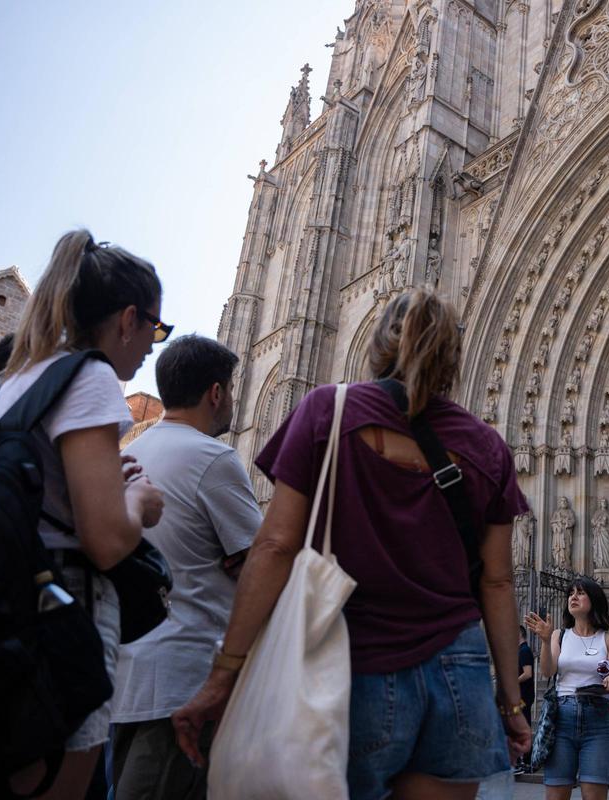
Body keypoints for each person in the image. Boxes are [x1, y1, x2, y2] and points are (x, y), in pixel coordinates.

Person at [173, 288, 532, 800]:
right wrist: (512, 703)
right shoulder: (489, 447)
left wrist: (225, 671)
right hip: (461, 671)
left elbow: (275, 547)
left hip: (355, 663)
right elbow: (497, 581)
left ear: (379, 345)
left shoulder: (329, 410)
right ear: (455, 357)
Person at [0, 229, 167, 798]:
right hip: (60, 616)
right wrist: (139, 501)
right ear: (128, 319)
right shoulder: (90, 376)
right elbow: (106, 540)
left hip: (4, 606)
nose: (154, 346)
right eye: (155, 327)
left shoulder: (16, 377)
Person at [110, 335, 261, 800]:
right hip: (185, 681)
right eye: (233, 389)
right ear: (216, 392)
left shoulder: (132, 452)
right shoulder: (211, 458)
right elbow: (258, 564)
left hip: (127, 676)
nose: (234, 401)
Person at [523, 577, 609, 800]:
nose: (573, 597)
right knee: (556, 795)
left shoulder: (608, 639)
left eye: (580, 593)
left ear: (594, 600)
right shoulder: (561, 635)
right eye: (570, 594)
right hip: (562, 718)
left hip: (597, 719)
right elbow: (547, 671)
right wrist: (547, 641)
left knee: (594, 795)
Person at [515, 625, 535, 774]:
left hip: (524, 697)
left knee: (523, 727)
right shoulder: (521, 651)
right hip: (521, 696)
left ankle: (527, 761)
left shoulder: (524, 651)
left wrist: (511, 681)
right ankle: (523, 760)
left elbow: (527, 674)